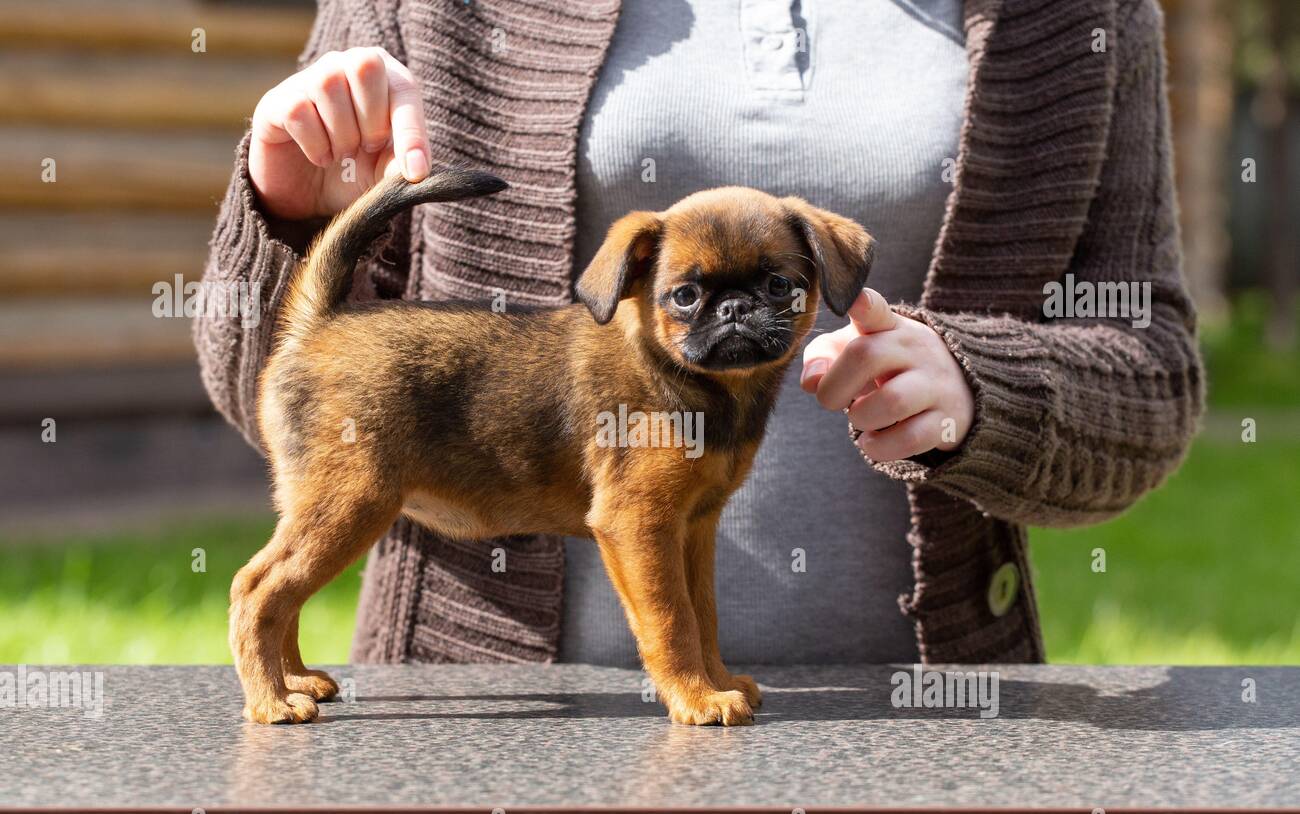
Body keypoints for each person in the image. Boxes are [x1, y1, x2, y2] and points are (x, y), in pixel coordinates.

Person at [195, 0, 1203, 668]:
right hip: (490, 720)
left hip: (921, 718)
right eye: (692, 299)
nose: (733, 318)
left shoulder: (1075, 18)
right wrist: (291, 215)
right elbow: (272, 389)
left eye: (773, 290)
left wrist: (990, 391)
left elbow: (1150, 382)